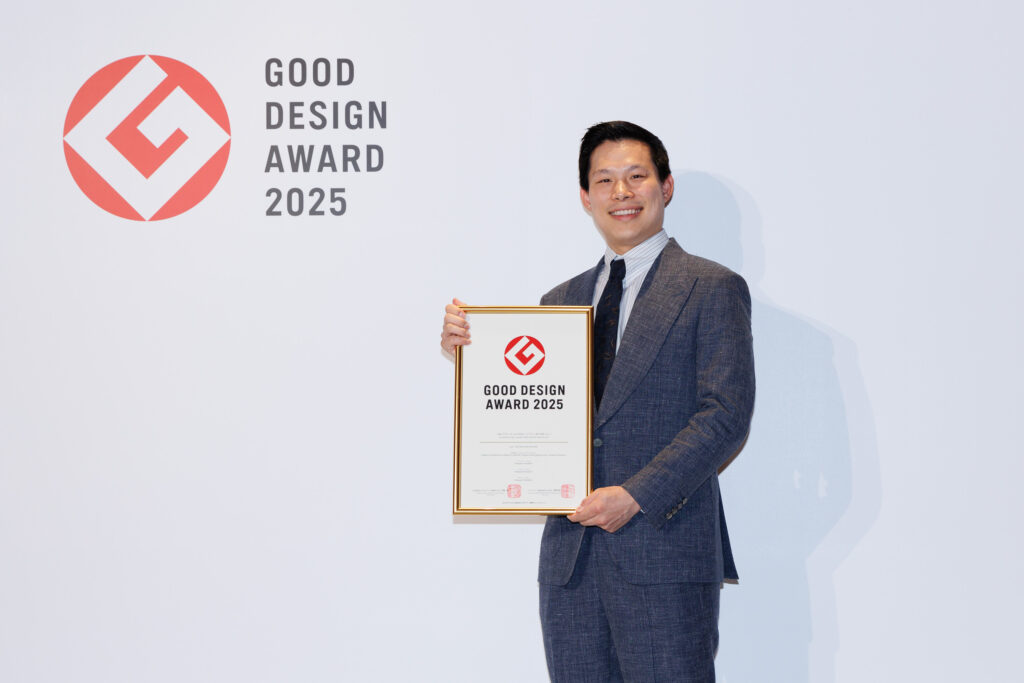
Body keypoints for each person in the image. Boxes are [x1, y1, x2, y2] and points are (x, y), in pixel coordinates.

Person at [441, 121, 755, 682]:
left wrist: (635, 496)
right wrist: (472, 355)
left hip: (664, 554)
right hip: (571, 562)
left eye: (637, 176)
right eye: (605, 180)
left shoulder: (711, 287)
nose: (621, 192)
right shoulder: (558, 302)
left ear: (666, 187)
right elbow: (534, 406)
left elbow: (725, 415)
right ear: (586, 197)